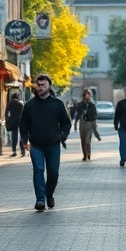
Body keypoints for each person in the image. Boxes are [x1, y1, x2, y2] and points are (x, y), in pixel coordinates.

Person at [20, 74, 72, 211]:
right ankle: (40, 200)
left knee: (53, 173)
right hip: (36, 144)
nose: (40, 87)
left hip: (53, 144)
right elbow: (23, 124)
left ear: (49, 86)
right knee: (38, 170)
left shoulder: (57, 104)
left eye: (43, 85)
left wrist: (62, 136)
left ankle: (49, 194)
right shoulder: (30, 105)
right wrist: (25, 140)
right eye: (39, 85)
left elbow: (66, 123)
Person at [75, 89, 100, 160]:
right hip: (82, 123)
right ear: (83, 96)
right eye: (86, 94)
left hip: (90, 124)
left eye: (88, 95)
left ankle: (88, 153)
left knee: (87, 140)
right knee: (83, 140)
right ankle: (85, 155)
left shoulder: (92, 105)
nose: (87, 96)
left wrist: (94, 121)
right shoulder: (79, 105)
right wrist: (75, 124)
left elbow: (95, 115)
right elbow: (77, 115)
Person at [5, 91, 25, 156]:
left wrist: (7, 120)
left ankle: (14, 151)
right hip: (21, 120)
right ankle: (22, 150)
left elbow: (6, 112)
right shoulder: (21, 104)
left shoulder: (10, 104)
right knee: (22, 136)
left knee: (14, 136)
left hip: (13, 121)